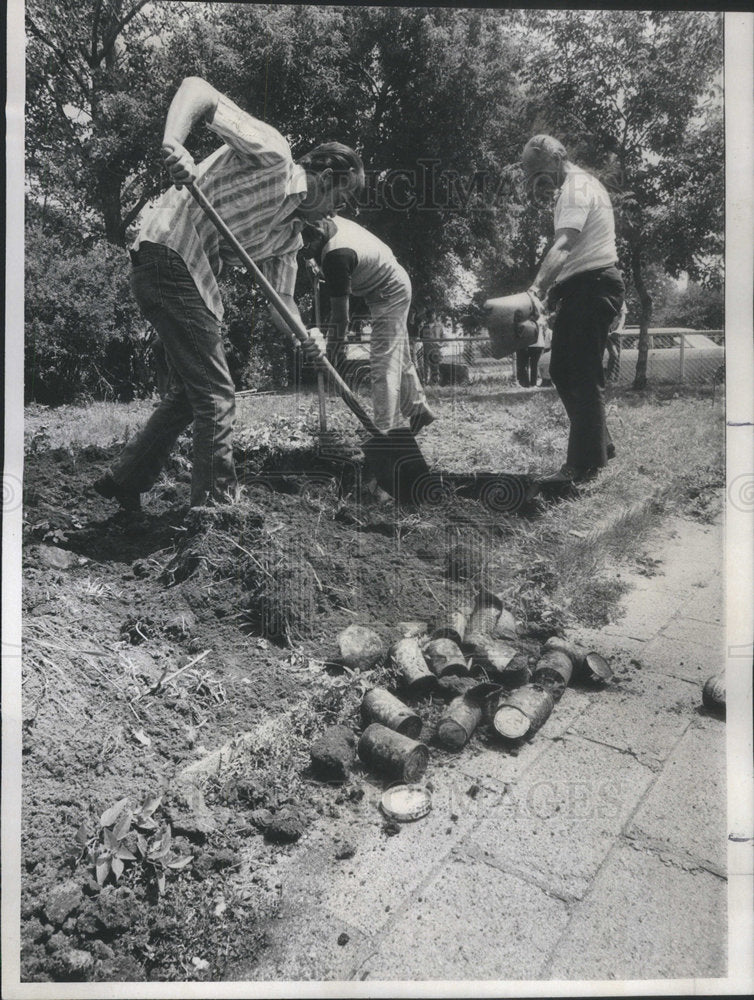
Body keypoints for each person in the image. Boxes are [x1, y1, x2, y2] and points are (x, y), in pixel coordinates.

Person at [94, 76, 364, 511]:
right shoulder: (275, 154)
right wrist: (175, 145)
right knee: (217, 396)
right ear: (327, 178)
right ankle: (215, 512)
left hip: (188, 277)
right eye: (342, 197)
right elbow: (198, 89)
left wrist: (306, 336)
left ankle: (126, 479)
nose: (338, 211)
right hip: (169, 253)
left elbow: (284, 302)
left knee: (192, 394)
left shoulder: (290, 238)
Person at [520, 134, 625, 483]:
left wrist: (536, 289)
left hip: (594, 287)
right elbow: (574, 255)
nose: (533, 180)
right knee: (564, 370)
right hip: (584, 287)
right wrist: (554, 294)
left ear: (556, 159)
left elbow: (564, 245)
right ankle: (600, 446)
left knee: (580, 372)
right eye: (527, 174)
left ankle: (582, 468)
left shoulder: (577, 189)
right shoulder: (572, 189)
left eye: (536, 171)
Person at [303, 216, 435, 435]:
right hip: (385, 285)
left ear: (317, 234)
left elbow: (340, 318)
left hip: (390, 290)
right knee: (397, 356)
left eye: (307, 247)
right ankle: (418, 409)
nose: (304, 253)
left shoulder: (336, 255)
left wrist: (328, 356)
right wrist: (317, 266)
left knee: (384, 362)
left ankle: (386, 431)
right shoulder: (327, 218)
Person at [420, 309, 445, 387]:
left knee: (435, 367)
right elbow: (421, 336)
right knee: (426, 367)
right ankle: (426, 383)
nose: (431, 316)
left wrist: (441, 344)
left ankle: (434, 383)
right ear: (427, 316)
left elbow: (443, 337)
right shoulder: (424, 326)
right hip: (426, 349)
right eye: (430, 314)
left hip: (435, 350)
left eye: (433, 314)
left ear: (435, 315)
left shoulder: (439, 326)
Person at [605, 300, 627, 383]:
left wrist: (619, 329)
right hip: (603, 331)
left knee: (617, 357)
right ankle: (605, 378)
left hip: (615, 332)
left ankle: (614, 380)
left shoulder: (620, 297)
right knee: (613, 354)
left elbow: (622, 316)